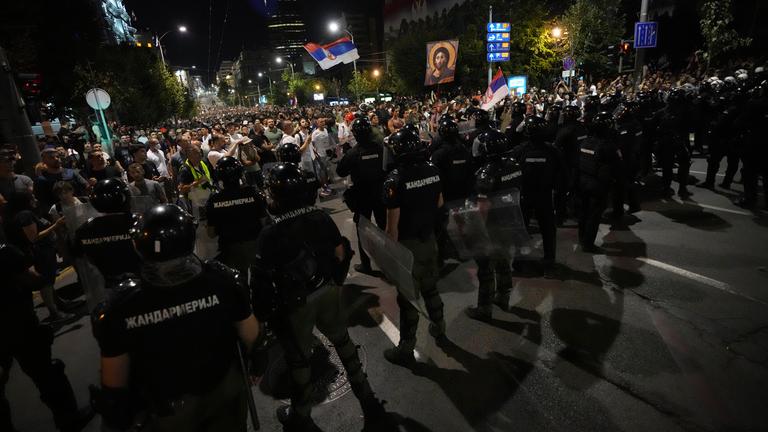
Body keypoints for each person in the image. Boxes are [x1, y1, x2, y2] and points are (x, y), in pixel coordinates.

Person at [93, 204, 263, 431]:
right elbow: (252, 337)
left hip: (167, 406)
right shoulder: (223, 280)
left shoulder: (121, 304)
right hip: (222, 389)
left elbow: (115, 382)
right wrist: (257, 365)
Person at [252, 163, 385, 430]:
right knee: (344, 344)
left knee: (300, 361)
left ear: (276, 196)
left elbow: (262, 284)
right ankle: (367, 397)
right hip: (327, 292)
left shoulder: (270, 233)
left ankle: (301, 415)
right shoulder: (319, 217)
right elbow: (340, 253)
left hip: (296, 305)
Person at [0, 243, 94, 432]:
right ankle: (69, 419)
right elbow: (34, 280)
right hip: (20, 325)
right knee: (48, 375)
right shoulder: (5, 252)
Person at [381, 129, 447, 365]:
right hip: (429, 239)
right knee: (431, 288)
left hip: (408, 246)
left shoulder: (395, 179)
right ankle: (440, 328)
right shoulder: (433, 170)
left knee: (408, 298)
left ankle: (406, 348)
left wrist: (390, 257)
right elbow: (439, 205)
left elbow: (392, 227)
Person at [464, 130, 522, 321]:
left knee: (486, 268)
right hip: (511, 219)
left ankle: (484, 308)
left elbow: (482, 208)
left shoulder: (485, 173)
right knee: (504, 260)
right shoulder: (513, 165)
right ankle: (503, 296)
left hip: (492, 226)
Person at [3, 191, 76, 322]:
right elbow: (34, 237)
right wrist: (56, 225)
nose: (35, 199)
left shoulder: (26, 214)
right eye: (32, 198)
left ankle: (60, 303)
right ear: (25, 201)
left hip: (44, 251)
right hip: (40, 253)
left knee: (49, 281)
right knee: (46, 283)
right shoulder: (25, 215)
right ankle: (55, 313)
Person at [74, 179, 142, 308]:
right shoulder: (138, 221)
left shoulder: (84, 229)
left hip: (109, 286)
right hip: (143, 280)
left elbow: (78, 255)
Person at [511, 116, 565, 269]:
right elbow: (562, 174)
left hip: (525, 195)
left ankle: (519, 260)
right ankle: (549, 259)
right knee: (548, 229)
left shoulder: (519, 151)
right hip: (545, 195)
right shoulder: (553, 151)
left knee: (521, 228)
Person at [336, 117, 387, 275]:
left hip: (362, 197)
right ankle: (390, 262)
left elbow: (340, 171)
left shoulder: (353, 153)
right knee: (384, 228)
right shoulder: (380, 148)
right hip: (380, 194)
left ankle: (366, 264)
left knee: (362, 232)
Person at [205, 157, 269, 277]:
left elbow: (211, 233)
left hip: (229, 251)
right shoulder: (253, 193)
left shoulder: (214, 200)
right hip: (255, 247)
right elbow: (264, 221)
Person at [577, 112, 621, 252]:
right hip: (597, 184)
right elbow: (616, 166)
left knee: (583, 213)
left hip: (582, 181)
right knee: (594, 215)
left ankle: (582, 239)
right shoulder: (608, 146)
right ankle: (588, 244)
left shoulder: (585, 141)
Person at [554, 105, 588, 224]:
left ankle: (560, 216)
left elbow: (556, 146)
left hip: (567, 164)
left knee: (561, 191)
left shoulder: (566, 130)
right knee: (577, 189)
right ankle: (578, 213)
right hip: (581, 162)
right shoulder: (582, 127)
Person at [34, 148, 89, 213]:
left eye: (57, 156)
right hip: (60, 214)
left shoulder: (71, 173)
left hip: (80, 209)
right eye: (51, 157)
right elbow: (43, 202)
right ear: (44, 160)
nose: (56, 159)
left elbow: (86, 186)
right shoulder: (41, 180)